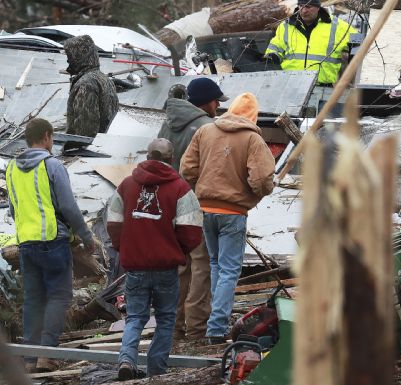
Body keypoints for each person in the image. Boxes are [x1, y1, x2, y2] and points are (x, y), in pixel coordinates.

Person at [180, 92, 275, 344]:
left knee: (215, 266)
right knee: (229, 270)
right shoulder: (253, 139)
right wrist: (256, 194)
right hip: (232, 214)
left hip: (205, 211)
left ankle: (215, 320)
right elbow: (263, 179)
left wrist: (200, 192)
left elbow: (187, 169)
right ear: (253, 116)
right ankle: (217, 328)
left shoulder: (205, 131)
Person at [107, 138, 203, 379]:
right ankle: (157, 371)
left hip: (136, 268)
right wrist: (176, 251)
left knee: (136, 318)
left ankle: (127, 359)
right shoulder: (181, 189)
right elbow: (192, 232)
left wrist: (125, 248)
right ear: (172, 159)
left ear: (147, 156)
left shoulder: (126, 186)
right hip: (165, 268)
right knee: (166, 319)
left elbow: (113, 223)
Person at [5, 118, 96, 372]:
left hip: (26, 243)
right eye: (52, 138)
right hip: (53, 242)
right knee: (59, 296)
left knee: (33, 299)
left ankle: (30, 358)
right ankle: (47, 354)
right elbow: (68, 206)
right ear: (46, 136)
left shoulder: (11, 168)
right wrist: (86, 238)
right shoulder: (52, 165)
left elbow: (13, 209)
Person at [158, 77, 228, 340]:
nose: (217, 107)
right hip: (196, 205)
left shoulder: (167, 123)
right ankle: (197, 326)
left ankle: (174, 326)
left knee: (180, 265)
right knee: (202, 264)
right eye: (215, 102)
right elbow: (211, 171)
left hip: (169, 204)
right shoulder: (207, 127)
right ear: (205, 103)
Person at [264, 0, 356, 86]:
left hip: (322, 88)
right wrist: (272, 57)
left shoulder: (339, 27)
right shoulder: (286, 26)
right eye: (301, 6)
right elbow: (274, 48)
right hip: (289, 85)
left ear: (318, 7)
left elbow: (360, 45)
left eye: (308, 7)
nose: (304, 10)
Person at [63, 35, 119, 138]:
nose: (68, 61)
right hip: (104, 144)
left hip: (86, 150)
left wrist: (68, 148)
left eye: (69, 56)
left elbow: (85, 132)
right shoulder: (104, 79)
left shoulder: (85, 84)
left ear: (78, 56)